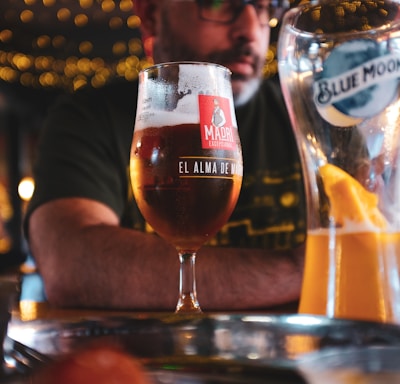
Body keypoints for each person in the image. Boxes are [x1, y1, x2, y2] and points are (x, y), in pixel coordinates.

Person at [24, 0, 306, 310]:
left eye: (266, 7)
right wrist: (301, 269)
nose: (251, 30)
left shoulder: (306, 114)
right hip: (138, 357)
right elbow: (71, 264)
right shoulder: (89, 117)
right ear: (151, 16)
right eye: (219, 4)